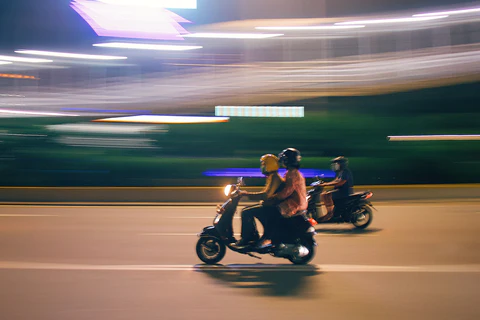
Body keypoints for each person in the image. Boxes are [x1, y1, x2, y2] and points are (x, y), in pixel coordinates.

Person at [257, 147, 308, 248]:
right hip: (296, 201)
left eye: (284, 159)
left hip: (294, 204)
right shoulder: (292, 172)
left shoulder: (292, 173)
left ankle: (269, 238)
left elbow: (287, 191)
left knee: (271, 213)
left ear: (288, 160)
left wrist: (274, 197)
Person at [233, 154, 285, 247]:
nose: (262, 167)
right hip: (270, 206)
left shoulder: (275, 178)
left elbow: (265, 195)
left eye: (263, 165)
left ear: (269, 165)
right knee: (247, 211)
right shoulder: (272, 177)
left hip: (271, 208)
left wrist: (246, 194)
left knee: (246, 212)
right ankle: (252, 236)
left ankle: (248, 237)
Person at [318, 156, 354, 222]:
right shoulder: (341, 172)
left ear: (341, 164)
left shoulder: (345, 172)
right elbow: (336, 181)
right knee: (324, 194)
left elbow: (340, 183)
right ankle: (331, 212)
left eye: (336, 164)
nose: (335, 165)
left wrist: (325, 184)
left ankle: (330, 214)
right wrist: (325, 183)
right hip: (340, 191)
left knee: (326, 195)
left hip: (344, 192)